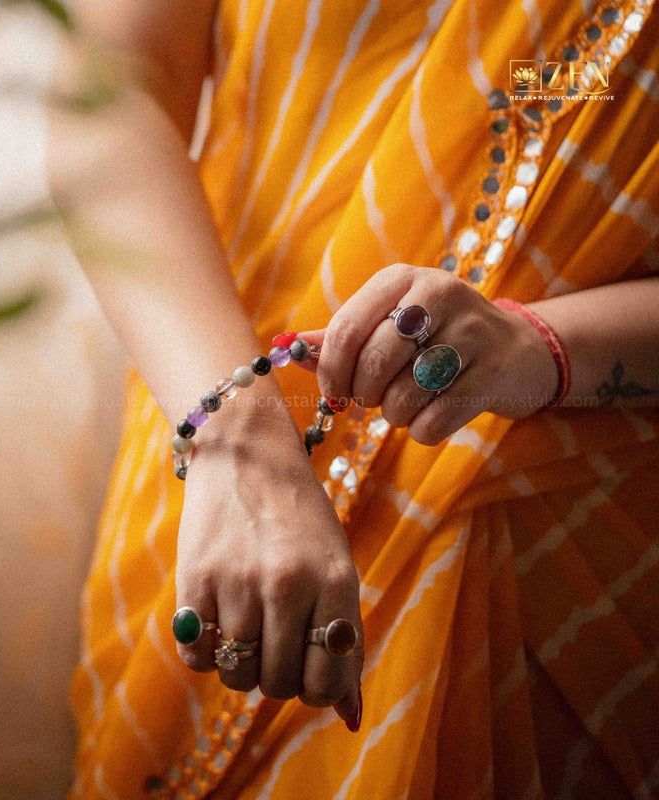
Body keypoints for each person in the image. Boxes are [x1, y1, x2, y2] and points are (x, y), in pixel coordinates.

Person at [48, 0, 659, 797]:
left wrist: (535, 349)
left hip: (586, 554)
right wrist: (239, 439)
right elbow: (107, 93)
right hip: (217, 452)